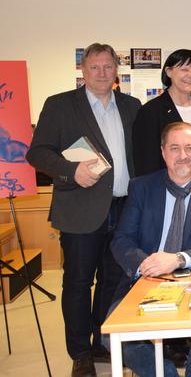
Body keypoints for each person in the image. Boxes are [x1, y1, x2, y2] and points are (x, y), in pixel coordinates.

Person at [26, 43, 141, 377]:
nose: (102, 73)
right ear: (83, 70)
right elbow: (38, 153)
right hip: (80, 207)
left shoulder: (131, 106)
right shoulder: (61, 105)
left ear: (116, 70)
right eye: (94, 67)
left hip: (124, 209)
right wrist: (69, 171)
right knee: (78, 283)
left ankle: (101, 341)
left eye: (108, 67)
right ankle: (80, 353)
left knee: (113, 280)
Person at [109, 122, 191, 377]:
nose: (183, 155)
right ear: (163, 152)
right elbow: (121, 240)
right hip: (146, 277)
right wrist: (147, 265)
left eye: (190, 148)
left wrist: (177, 260)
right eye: (174, 148)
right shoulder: (141, 187)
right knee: (114, 333)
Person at [132, 49, 191, 176]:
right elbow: (145, 162)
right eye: (184, 69)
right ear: (169, 72)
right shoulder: (150, 111)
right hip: (169, 190)